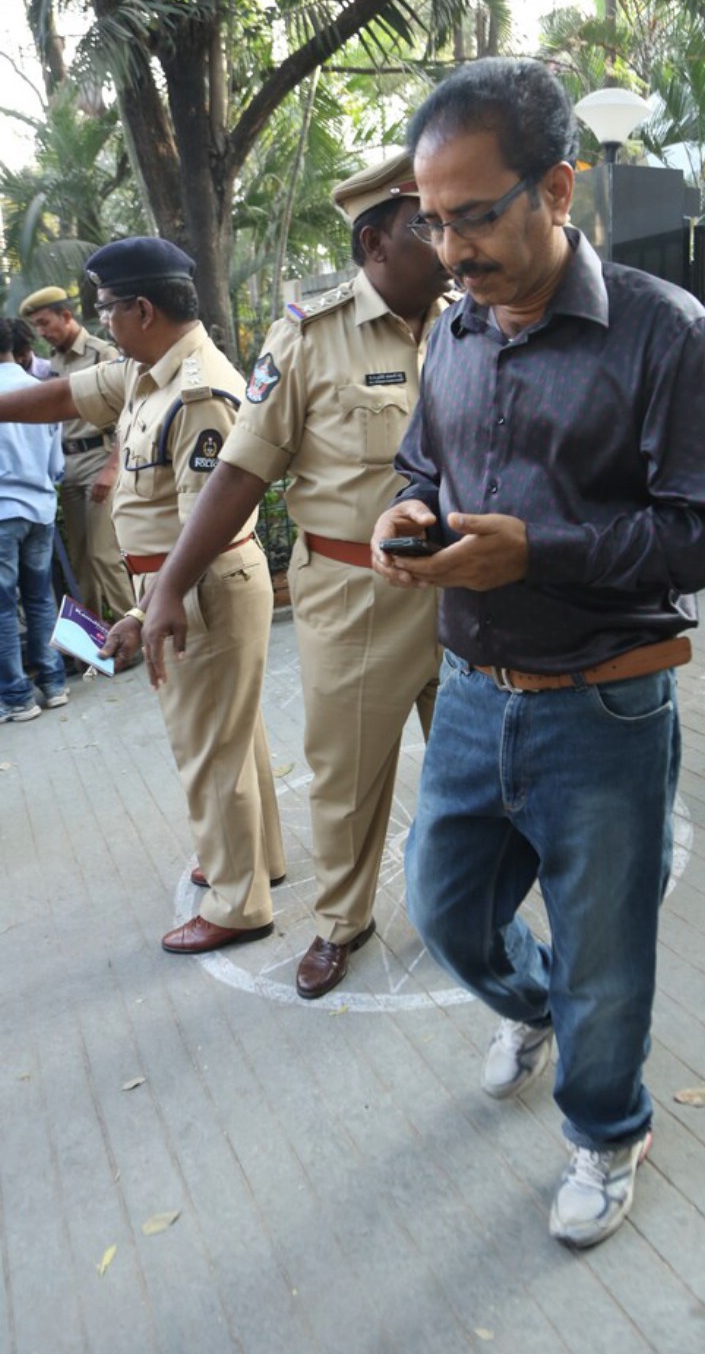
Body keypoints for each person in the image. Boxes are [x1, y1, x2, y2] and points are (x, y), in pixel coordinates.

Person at [371, 58, 705, 1249]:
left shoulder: (665, 332)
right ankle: (539, 1011)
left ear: (557, 189)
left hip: (607, 703)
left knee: (607, 950)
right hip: (475, 693)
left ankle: (607, 1124)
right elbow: (423, 467)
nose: (451, 249)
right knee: (444, 907)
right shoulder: (457, 334)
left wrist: (537, 551)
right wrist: (406, 515)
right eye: (433, 223)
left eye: (474, 215)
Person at [141, 153, 453, 998]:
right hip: (357, 593)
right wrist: (170, 583)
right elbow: (242, 470)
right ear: (373, 241)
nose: (447, 237)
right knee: (347, 776)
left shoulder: (474, 319)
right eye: (425, 223)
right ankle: (343, 922)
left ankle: (463, 904)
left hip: (467, 588)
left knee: (477, 766)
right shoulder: (311, 334)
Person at [0, 239, 285, 949]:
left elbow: (209, 521)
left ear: (143, 309)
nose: (105, 322)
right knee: (234, 738)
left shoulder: (200, 388)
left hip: (198, 583)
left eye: (107, 309)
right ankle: (256, 862)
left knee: (208, 750)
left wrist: (143, 607)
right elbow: (65, 394)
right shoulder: (146, 372)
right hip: (181, 581)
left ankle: (235, 903)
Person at [19, 286, 134, 620]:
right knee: (81, 560)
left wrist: (112, 470)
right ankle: (93, 644)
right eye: (36, 326)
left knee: (104, 554)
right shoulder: (52, 362)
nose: (41, 332)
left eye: (45, 323)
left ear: (66, 316)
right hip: (68, 465)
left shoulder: (102, 353)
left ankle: (135, 633)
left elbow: (130, 414)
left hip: (100, 458)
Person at [0, 317, 68, 722]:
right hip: (40, 508)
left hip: (3, 512)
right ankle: (54, 683)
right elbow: (56, 465)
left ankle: (16, 696)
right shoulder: (40, 391)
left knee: (4, 608)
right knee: (41, 598)